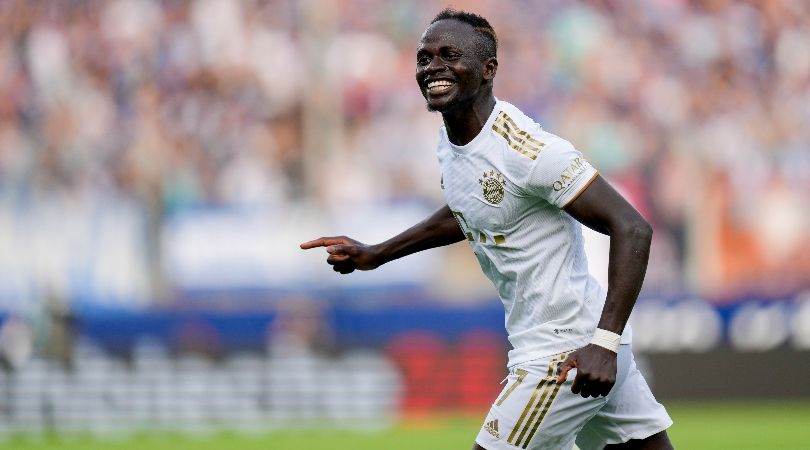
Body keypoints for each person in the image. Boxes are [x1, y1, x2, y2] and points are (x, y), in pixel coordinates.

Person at [301, 8, 673, 450]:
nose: (432, 67)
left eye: (449, 55)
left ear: (488, 69)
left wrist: (604, 343)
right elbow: (467, 208)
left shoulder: (528, 149)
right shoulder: (452, 141)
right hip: (577, 340)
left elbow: (632, 228)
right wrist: (378, 253)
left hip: (566, 351)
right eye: (424, 58)